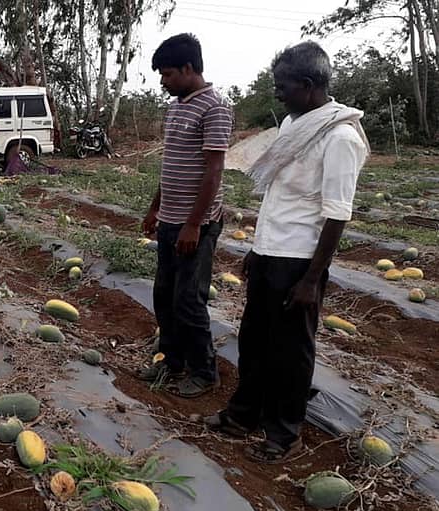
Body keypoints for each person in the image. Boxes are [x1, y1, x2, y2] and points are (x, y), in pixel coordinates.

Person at [205, 42, 368, 463]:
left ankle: (285, 434)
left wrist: (312, 280)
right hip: (270, 254)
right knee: (254, 341)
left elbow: (336, 215)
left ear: (309, 85)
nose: (276, 94)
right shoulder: (294, 127)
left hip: (299, 262)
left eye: (282, 87)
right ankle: (244, 415)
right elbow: (280, 198)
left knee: (291, 353)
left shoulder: (340, 137)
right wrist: (258, 250)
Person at [137, 34, 232, 398]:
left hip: (197, 224)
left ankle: (204, 371)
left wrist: (195, 224)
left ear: (189, 69)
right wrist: (155, 207)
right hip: (170, 220)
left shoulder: (215, 108)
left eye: (167, 74)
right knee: (164, 294)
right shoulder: (177, 106)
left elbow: (213, 171)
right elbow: (173, 164)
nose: (163, 82)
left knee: (189, 299)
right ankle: (172, 360)